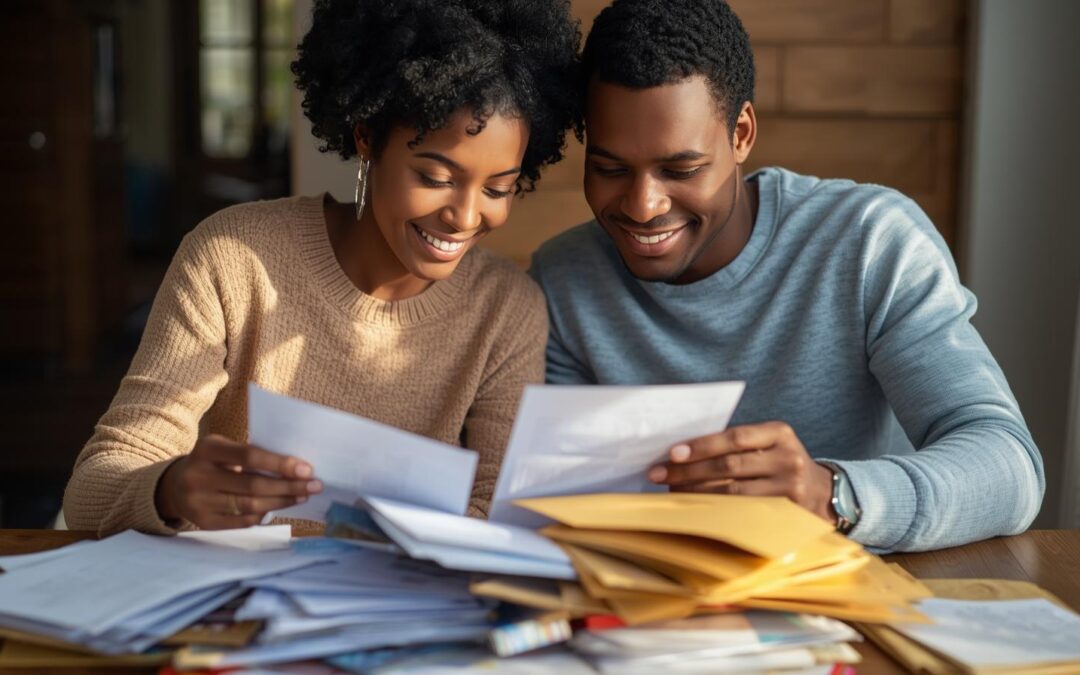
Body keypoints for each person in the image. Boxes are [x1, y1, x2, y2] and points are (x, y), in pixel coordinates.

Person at [529, 0, 1043, 552]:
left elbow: (1010, 467)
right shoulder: (566, 281)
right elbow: (559, 500)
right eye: (610, 169)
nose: (644, 205)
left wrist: (830, 494)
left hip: (848, 605)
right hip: (653, 610)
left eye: (681, 170)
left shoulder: (869, 243)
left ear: (742, 134)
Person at [63, 0, 580, 535]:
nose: (466, 216)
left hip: (400, 605)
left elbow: (502, 511)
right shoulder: (233, 257)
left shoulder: (506, 308)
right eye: (434, 177)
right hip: (233, 603)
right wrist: (170, 488)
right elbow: (94, 488)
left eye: (499, 188)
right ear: (365, 138)